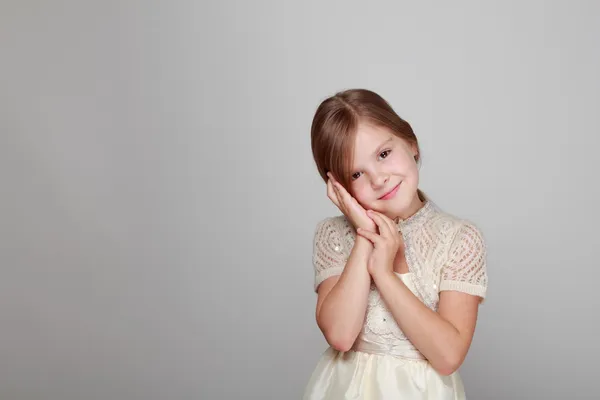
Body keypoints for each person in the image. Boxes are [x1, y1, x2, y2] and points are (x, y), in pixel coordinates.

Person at [303, 89, 488, 399]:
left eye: (384, 154)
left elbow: (448, 356)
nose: (378, 180)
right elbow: (341, 335)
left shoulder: (459, 238)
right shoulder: (334, 235)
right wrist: (365, 234)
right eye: (357, 173)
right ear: (338, 187)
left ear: (410, 142)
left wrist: (385, 274)